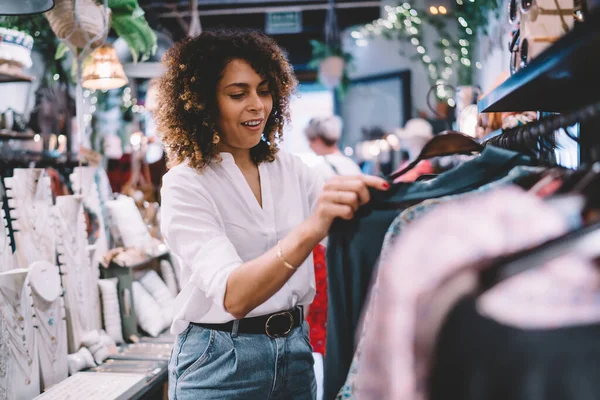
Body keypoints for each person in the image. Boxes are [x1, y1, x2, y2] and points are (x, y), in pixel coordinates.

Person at [155, 29, 389, 400]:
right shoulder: (186, 184)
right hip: (218, 363)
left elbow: (355, 234)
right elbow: (234, 295)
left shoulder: (292, 170)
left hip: (295, 352)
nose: (257, 105)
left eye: (264, 91)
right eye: (238, 94)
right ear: (202, 103)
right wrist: (313, 227)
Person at [304, 115, 362, 180]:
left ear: (318, 140)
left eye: (310, 142)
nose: (310, 146)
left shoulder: (319, 169)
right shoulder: (352, 165)